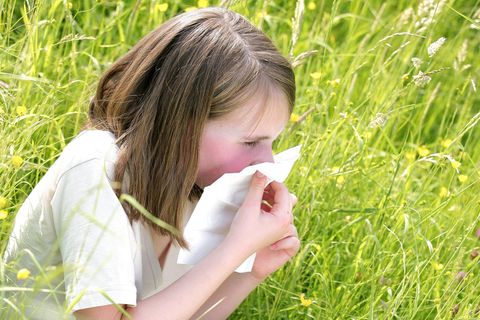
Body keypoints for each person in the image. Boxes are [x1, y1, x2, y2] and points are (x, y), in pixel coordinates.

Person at [2, 6, 300, 320]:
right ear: (183, 123)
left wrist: (251, 271)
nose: (266, 160)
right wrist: (233, 250)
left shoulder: (198, 187)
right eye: (251, 141)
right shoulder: (95, 167)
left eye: (272, 141)